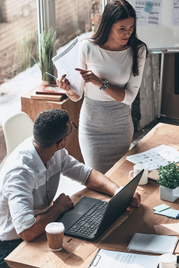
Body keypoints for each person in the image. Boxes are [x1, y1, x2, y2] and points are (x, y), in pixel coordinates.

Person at [0, 109, 141, 268]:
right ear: (60, 142)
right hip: (10, 247)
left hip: (42, 226)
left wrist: (119, 192)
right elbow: (27, 231)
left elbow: (86, 174)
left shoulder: (54, 150)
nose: (72, 132)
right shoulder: (20, 173)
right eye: (71, 130)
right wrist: (57, 208)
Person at [57, 0, 148, 173]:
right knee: (97, 180)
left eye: (131, 28)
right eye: (122, 28)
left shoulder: (138, 50)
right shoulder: (87, 48)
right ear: (108, 24)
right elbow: (77, 96)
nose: (127, 33)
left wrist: (101, 83)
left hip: (121, 125)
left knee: (120, 177)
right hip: (92, 128)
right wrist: (68, 88)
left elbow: (129, 97)